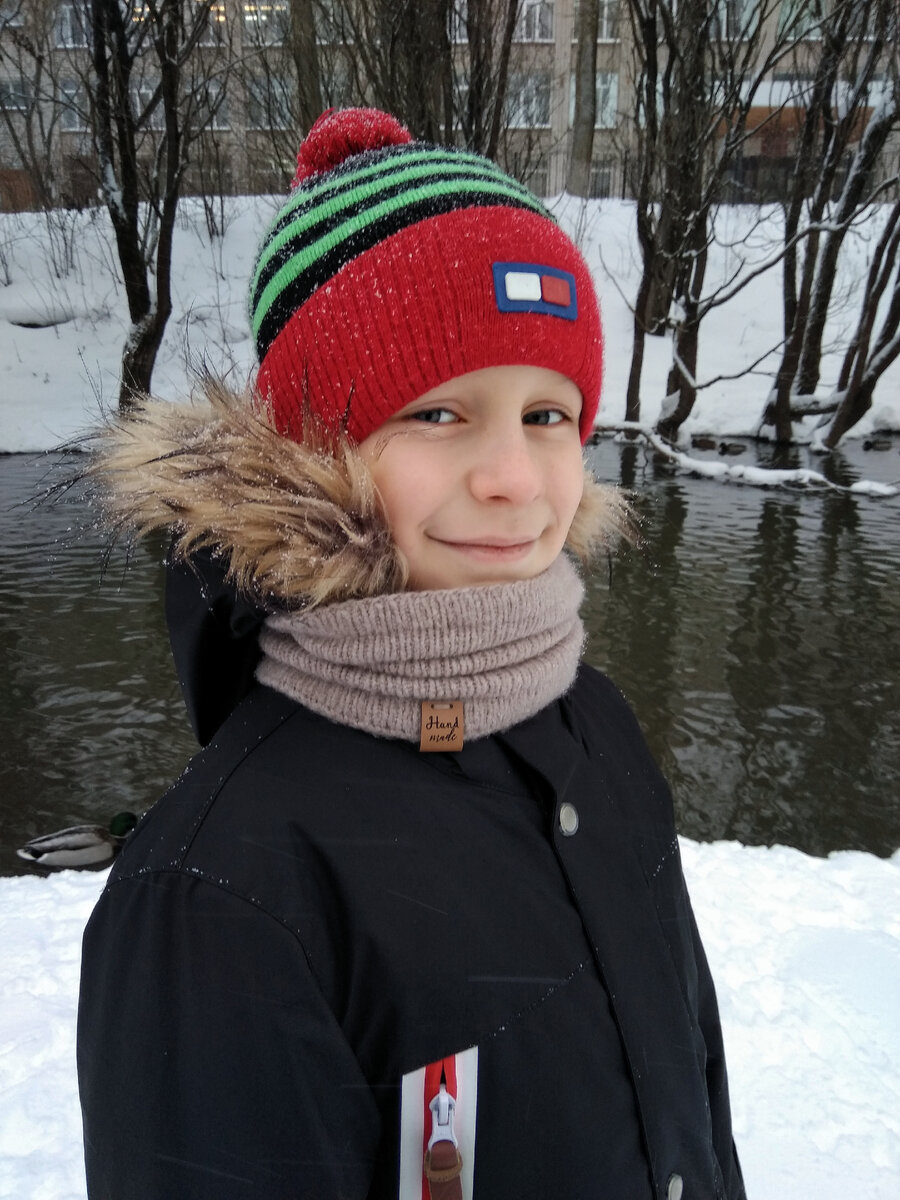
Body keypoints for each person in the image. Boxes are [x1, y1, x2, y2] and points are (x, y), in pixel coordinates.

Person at [77, 108, 745, 1200]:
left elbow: (693, 1102)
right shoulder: (217, 890)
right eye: (437, 414)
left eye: (548, 414)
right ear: (312, 451)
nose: (514, 478)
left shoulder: (595, 726)